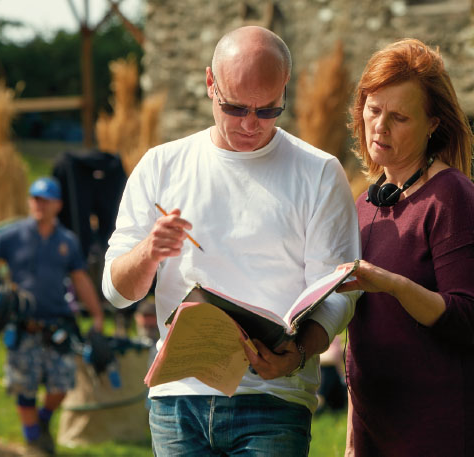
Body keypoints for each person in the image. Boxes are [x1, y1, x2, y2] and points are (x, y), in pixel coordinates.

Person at [102, 26, 360, 456]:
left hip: (273, 399)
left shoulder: (318, 172)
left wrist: (294, 355)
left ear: (285, 89)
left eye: (268, 109)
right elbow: (116, 292)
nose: (250, 123)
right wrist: (149, 251)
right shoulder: (162, 166)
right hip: (177, 400)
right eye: (236, 106)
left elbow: (337, 294)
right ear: (210, 84)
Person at [336, 38, 474, 456]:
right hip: (376, 433)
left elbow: (468, 320)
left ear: (433, 124)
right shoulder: (363, 204)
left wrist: (392, 285)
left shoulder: (453, 197)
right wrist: (352, 441)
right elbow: (359, 341)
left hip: (443, 434)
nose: (380, 126)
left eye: (399, 117)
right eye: (373, 110)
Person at [0, 176, 105, 456]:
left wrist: (96, 315)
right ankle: (34, 441)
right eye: (34, 199)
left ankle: (43, 420)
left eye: (45, 200)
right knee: (24, 386)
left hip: (58, 324)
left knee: (62, 383)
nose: (38, 205)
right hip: (22, 325)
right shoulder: (15, 233)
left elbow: (80, 279)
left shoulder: (66, 240)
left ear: (57, 204)